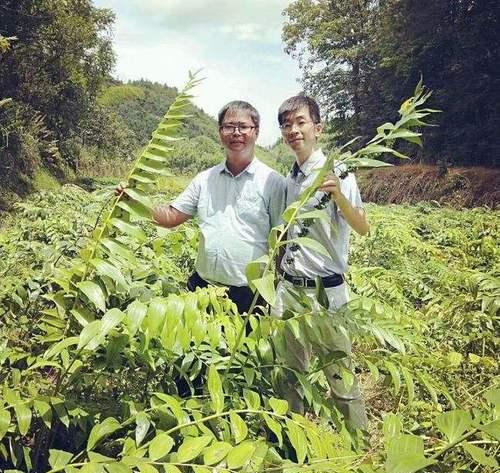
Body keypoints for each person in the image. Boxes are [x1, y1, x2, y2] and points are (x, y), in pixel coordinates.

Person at [273, 95, 369, 431]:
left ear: (318, 128)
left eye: (300, 122)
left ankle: (357, 447)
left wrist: (339, 195)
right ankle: (294, 439)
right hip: (289, 291)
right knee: (289, 373)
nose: (293, 130)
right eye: (287, 124)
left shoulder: (338, 173)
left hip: (327, 294)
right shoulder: (291, 177)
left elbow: (363, 227)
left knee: (340, 375)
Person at [153, 100, 286, 314]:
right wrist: (132, 202)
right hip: (202, 288)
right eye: (229, 126)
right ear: (220, 132)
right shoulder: (204, 179)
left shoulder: (273, 182)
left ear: (256, 132)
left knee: (244, 348)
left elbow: (282, 240)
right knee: (197, 347)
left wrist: (279, 289)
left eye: (243, 126)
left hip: (249, 294)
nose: (236, 132)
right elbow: (171, 216)